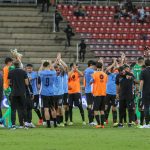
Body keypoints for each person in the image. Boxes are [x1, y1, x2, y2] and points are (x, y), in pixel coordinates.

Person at [8, 61, 29, 129]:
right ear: (20, 65)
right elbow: (27, 83)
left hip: (14, 93)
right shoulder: (23, 72)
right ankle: (24, 124)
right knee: (23, 108)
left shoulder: (10, 72)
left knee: (13, 109)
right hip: (22, 93)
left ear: (14, 65)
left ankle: (13, 125)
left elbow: (9, 83)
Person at [39, 61, 57, 128]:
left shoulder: (42, 73)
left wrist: (41, 64)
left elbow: (39, 71)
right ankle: (55, 123)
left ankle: (48, 124)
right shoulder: (53, 72)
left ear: (43, 66)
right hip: (52, 92)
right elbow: (53, 69)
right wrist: (51, 64)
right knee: (53, 108)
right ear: (49, 66)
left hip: (44, 93)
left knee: (46, 109)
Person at [91, 62, 108, 128]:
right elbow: (106, 82)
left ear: (96, 67)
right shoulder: (105, 75)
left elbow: (92, 81)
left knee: (95, 110)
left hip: (97, 94)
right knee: (102, 110)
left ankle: (98, 124)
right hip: (103, 94)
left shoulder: (94, 74)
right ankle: (102, 125)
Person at [105, 58, 119, 127]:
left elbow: (120, 68)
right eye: (113, 68)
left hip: (114, 93)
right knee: (106, 107)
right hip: (107, 93)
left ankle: (115, 121)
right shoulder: (108, 74)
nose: (114, 69)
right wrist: (113, 63)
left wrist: (116, 62)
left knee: (114, 107)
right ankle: (105, 120)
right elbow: (106, 69)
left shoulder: (117, 74)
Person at [84, 60, 96, 125]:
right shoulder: (92, 71)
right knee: (92, 106)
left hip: (87, 90)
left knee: (89, 105)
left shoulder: (86, 70)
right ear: (91, 64)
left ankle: (89, 120)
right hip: (91, 90)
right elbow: (93, 79)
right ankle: (91, 121)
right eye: (94, 66)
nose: (95, 67)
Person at [140, 59, 150, 128]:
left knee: (146, 107)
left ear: (145, 64)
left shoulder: (143, 71)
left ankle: (147, 124)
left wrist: (140, 91)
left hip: (146, 92)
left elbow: (141, 82)